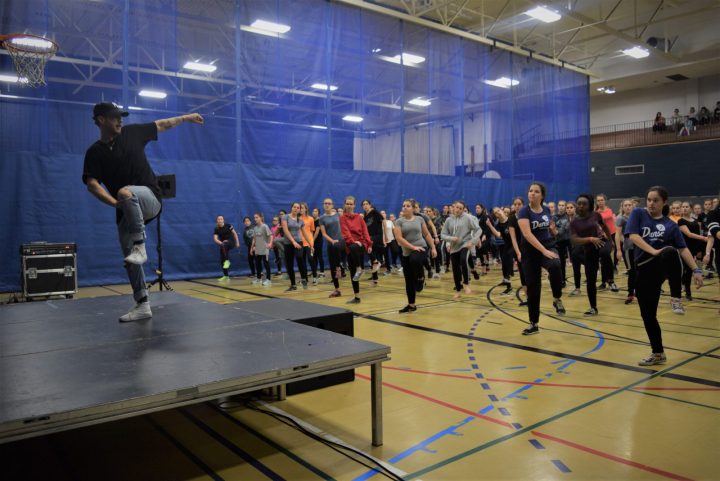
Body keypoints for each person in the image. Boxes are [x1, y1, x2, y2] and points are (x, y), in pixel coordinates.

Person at [82, 102, 203, 322]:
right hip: (124, 208)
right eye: (114, 117)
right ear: (100, 120)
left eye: (121, 117)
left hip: (150, 197)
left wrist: (185, 118)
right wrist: (114, 203)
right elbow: (92, 183)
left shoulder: (133, 133)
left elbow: (163, 124)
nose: (120, 121)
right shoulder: (94, 152)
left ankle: (140, 245)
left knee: (126, 192)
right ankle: (142, 304)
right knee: (130, 260)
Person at [626, 186, 703, 365]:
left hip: (661, 265)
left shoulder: (670, 225)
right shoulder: (638, 213)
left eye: (656, 200)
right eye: (649, 200)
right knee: (648, 315)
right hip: (643, 268)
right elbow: (634, 236)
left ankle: (676, 297)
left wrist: (696, 270)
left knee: (669, 251)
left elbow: (683, 249)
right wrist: (653, 251)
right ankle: (658, 353)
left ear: (664, 202)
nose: (651, 203)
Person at [517, 182, 565, 335]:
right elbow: (527, 234)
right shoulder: (524, 211)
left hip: (547, 245)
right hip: (530, 252)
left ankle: (557, 298)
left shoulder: (545, 209)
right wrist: (543, 251)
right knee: (534, 288)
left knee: (556, 264)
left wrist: (553, 231)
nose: (532, 193)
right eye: (530, 191)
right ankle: (534, 324)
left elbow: (549, 228)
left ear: (542, 195)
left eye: (536, 191)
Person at [570, 195, 614, 316]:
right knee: (591, 280)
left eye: (584, 204)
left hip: (601, 242)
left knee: (605, 253)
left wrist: (611, 240)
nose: (581, 206)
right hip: (589, 248)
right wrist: (590, 239)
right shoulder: (574, 221)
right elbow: (574, 240)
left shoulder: (595, 215)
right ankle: (593, 307)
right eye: (579, 203)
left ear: (589, 205)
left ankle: (610, 280)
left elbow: (604, 226)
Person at [395, 199, 437, 312]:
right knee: (408, 280)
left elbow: (427, 234)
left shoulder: (419, 219)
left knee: (415, 259)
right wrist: (413, 247)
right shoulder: (399, 221)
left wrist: (433, 247)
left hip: (421, 247)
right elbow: (399, 239)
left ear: (413, 208)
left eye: (408, 206)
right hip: (407, 252)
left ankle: (421, 278)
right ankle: (411, 305)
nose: (405, 207)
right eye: (403, 205)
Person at [441, 200, 482, 299]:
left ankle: (466, 284)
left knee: (464, 260)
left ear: (463, 209)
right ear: (453, 207)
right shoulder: (448, 220)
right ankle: (458, 290)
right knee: (455, 268)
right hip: (454, 247)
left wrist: (472, 242)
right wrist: (451, 240)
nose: (458, 210)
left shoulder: (468, 218)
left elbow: (478, 230)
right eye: (457, 207)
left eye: (461, 208)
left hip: (465, 244)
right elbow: (443, 235)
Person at [340, 196, 372, 304]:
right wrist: (353, 241)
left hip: (361, 244)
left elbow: (365, 231)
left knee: (356, 265)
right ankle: (357, 297)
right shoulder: (342, 218)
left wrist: (369, 244)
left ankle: (360, 268)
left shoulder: (359, 217)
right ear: (345, 205)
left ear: (354, 205)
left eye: (351, 204)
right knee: (353, 274)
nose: (349, 206)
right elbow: (345, 232)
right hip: (350, 246)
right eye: (347, 204)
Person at [678, 201, 706, 300]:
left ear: (691, 208)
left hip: (693, 249)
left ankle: (688, 293)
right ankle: (681, 289)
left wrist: (699, 250)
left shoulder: (694, 221)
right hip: (683, 249)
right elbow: (689, 234)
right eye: (683, 207)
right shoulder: (680, 221)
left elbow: (696, 237)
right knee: (683, 271)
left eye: (687, 207)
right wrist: (703, 238)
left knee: (689, 272)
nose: (684, 208)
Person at [281, 202, 313, 291]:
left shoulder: (300, 220)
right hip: (288, 243)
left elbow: (305, 233)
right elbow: (285, 230)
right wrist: (293, 241)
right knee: (289, 264)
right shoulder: (285, 217)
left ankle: (303, 278)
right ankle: (293, 285)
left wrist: (311, 244)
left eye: (298, 207)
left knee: (300, 258)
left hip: (299, 242)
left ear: (299, 210)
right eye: (294, 207)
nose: (296, 209)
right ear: (291, 208)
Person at [319, 199, 344, 298]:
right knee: (332, 267)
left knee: (338, 251)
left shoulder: (338, 215)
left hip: (341, 241)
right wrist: (332, 240)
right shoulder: (322, 218)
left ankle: (340, 266)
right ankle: (337, 290)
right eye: (325, 203)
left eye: (329, 203)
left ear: (332, 205)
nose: (327, 205)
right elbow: (324, 233)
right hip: (331, 244)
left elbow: (344, 226)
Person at [595, 194, 620, 292]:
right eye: (598, 200)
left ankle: (610, 281)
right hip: (603, 237)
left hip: (612, 235)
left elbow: (613, 223)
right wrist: (603, 233)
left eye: (602, 200)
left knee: (605, 255)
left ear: (605, 201)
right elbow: (597, 225)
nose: (600, 202)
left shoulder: (609, 210)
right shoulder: (596, 213)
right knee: (603, 256)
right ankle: (605, 282)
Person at [616, 199, 636, 304]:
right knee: (632, 271)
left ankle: (639, 291)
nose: (628, 207)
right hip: (628, 249)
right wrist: (618, 250)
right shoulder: (621, 218)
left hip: (639, 248)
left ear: (633, 206)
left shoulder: (636, 217)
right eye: (626, 205)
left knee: (640, 270)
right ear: (622, 207)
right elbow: (617, 235)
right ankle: (630, 294)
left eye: (629, 205)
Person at [508, 196, 528, 306]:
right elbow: (513, 238)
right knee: (523, 274)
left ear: (523, 205)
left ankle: (534, 297)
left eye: (519, 204)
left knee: (530, 273)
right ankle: (528, 298)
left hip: (530, 249)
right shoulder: (512, 218)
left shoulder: (527, 215)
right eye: (515, 204)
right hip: (519, 250)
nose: (517, 206)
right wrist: (518, 252)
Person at [361, 199, 385, 285]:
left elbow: (383, 221)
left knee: (366, 245)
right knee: (371, 255)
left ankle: (376, 261)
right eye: (363, 204)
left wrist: (385, 236)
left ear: (370, 205)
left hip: (377, 236)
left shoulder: (374, 212)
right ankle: (375, 280)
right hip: (369, 237)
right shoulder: (364, 215)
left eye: (367, 204)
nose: (365, 205)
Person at [213, 215, 240, 281]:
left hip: (231, 242)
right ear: (217, 221)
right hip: (223, 245)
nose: (220, 220)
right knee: (222, 260)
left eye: (221, 219)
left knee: (225, 246)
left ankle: (227, 261)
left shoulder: (228, 226)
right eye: (218, 219)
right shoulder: (216, 228)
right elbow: (215, 239)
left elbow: (235, 234)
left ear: (223, 220)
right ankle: (226, 276)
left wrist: (237, 242)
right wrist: (221, 243)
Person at [250, 213, 273, 286]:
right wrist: (252, 248)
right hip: (257, 249)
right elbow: (254, 238)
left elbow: (271, 235)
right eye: (254, 217)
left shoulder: (264, 226)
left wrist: (270, 243)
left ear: (261, 218)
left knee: (266, 264)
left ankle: (268, 280)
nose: (255, 219)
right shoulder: (255, 228)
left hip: (264, 249)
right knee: (257, 264)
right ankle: (259, 279)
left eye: (257, 217)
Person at [553, 200, 571, 288]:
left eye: (563, 205)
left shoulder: (568, 216)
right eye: (559, 205)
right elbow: (553, 230)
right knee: (561, 262)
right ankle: (562, 280)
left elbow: (562, 229)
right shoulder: (554, 217)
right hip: (559, 242)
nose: (561, 207)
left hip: (569, 240)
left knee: (575, 259)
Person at [299, 203, 318, 285]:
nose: (301, 209)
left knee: (310, 259)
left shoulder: (310, 219)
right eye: (300, 208)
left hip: (309, 242)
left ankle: (315, 277)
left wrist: (311, 243)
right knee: (302, 261)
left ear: (306, 209)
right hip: (300, 242)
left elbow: (311, 231)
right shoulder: (297, 219)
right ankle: (304, 278)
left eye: (302, 208)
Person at [311, 207, 325, 280]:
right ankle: (314, 271)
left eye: (316, 211)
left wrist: (312, 241)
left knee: (320, 256)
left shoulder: (319, 221)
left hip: (318, 241)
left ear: (318, 213)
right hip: (312, 242)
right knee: (314, 257)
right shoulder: (312, 220)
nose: (314, 212)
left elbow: (316, 232)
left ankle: (322, 272)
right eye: (313, 211)